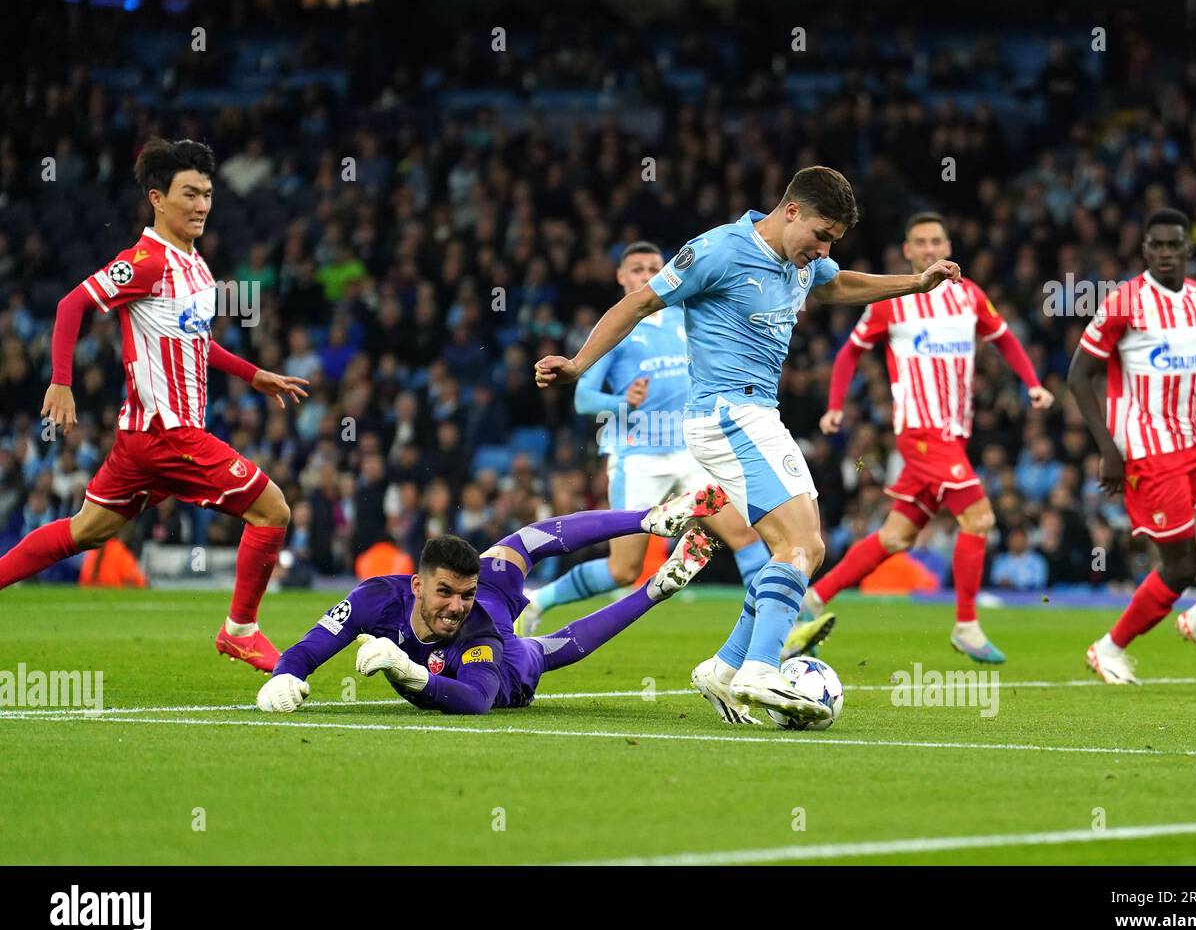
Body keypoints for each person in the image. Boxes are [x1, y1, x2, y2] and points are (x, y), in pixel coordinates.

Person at [536, 166, 962, 724]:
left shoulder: (805, 262)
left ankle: (727, 666)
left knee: (804, 545)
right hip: (724, 414)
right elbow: (639, 303)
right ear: (791, 211)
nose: (824, 249)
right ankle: (759, 668)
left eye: (833, 240)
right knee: (799, 547)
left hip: (760, 415)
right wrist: (577, 365)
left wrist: (914, 283)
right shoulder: (717, 251)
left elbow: (838, 284)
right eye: (822, 235)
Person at [0, 138, 309, 671]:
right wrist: (61, 381)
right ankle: (240, 630)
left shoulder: (197, 267)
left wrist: (253, 374)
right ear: (157, 199)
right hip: (170, 435)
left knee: (87, 530)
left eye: (208, 194)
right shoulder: (145, 261)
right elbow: (72, 303)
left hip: (141, 440)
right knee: (273, 509)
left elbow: (196, 341)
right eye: (189, 194)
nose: (201, 205)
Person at [785, 212, 1053, 664]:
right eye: (920, 243)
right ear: (908, 252)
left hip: (953, 435)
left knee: (894, 537)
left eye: (937, 241)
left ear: (947, 246)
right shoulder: (894, 300)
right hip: (921, 433)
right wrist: (834, 405)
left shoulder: (970, 296)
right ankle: (966, 625)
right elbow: (851, 351)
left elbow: (1004, 338)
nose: (930, 249)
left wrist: (1032, 383)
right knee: (980, 520)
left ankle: (810, 601)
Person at [257, 487, 726, 715]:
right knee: (520, 565)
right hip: (474, 618)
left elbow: (478, 701)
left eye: (464, 592)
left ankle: (652, 549)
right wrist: (284, 676)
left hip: (501, 665)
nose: (455, 605)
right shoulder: (375, 598)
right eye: (444, 592)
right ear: (417, 586)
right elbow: (310, 647)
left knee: (541, 649)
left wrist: (408, 671)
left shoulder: (477, 627)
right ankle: (655, 553)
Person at [516, 241, 769, 637]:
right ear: (620, 276)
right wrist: (624, 402)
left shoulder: (683, 318)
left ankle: (779, 630)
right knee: (623, 570)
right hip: (638, 458)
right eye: (637, 269)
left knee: (745, 535)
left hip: (691, 453)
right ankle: (539, 601)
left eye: (655, 267)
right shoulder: (614, 328)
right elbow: (584, 398)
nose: (648, 275)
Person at [1067, 207, 1196, 684]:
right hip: (1147, 450)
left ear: (1187, 248)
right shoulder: (1124, 302)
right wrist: (1109, 449)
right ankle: (1109, 648)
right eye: (1155, 245)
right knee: (1182, 565)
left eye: (1172, 244)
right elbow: (1079, 376)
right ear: (1145, 249)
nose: (1164, 253)